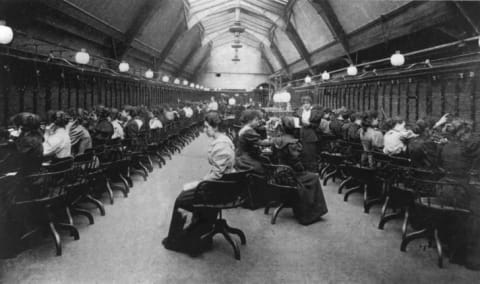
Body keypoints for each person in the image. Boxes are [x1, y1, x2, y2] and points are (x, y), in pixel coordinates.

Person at [162, 111, 235, 255]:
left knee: (181, 199)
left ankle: (175, 240)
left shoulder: (221, 145)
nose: (204, 129)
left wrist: (197, 184)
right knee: (186, 194)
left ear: (215, 127)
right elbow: (217, 172)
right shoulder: (224, 140)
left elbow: (217, 175)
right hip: (223, 185)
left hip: (219, 189)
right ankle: (196, 233)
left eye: (207, 126)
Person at [271, 116, 328, 225]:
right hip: (290, 176)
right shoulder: (292, 143)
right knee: (314, 177)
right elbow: (296, 163)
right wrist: (303, 169)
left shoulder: (276, 140)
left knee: (308, 175)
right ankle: (311, 214)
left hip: (278, 174)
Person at [235, 109, 269, 174]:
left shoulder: (245, 128)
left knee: (264, 160)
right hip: (245, 159)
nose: (258, 122)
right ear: (249, 121)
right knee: (262, 168)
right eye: (256, 120)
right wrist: (275, 141)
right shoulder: (248, 131)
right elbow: (262, 143)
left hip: (241, 155)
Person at [296, 95, 322, 171]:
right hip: (302, 133)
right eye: (304, 103)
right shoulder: (300, 111)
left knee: (311, 153)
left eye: (307, 103)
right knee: (303, 153)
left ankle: (313, 169)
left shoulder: (315, 113)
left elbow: (317, 125)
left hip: (311, 134)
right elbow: (298, 121)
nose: (306, 104)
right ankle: (305, 168)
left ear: (310, 104)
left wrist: (309, 124)